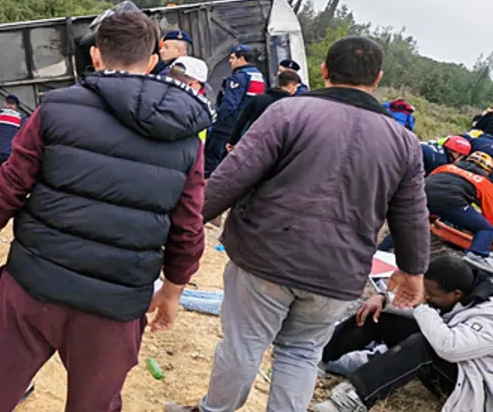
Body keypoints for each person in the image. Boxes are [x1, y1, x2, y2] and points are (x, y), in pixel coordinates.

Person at [0, 9, 212, 411]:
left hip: (33, 287)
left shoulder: (56, 110)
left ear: (96, 57)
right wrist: (172, 291)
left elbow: (10, 186)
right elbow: (187, 228)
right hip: (115, 307)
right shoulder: (186, 140)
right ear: (151, 63)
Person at [165, 36, 430, 412]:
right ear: (378, 78)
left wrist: (180, 229)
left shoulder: (290, 112)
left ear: (323, 70)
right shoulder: (404, 143)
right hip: (337, 273)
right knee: (301, 354)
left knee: (244, 344)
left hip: (265, 257)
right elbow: (412, 213)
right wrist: (414, 270)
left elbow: (232, 177)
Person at [313, 255, 493, 412]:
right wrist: (383, 300)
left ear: (456, 294)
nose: (426, 297)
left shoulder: (488, 315)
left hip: (474, 383)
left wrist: (422, 305)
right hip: (455, 359)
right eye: (424, 291)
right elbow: (416, 307)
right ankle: (314, 358)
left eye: (430, 294)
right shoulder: (455, 293)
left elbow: (450, 348)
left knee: (422, 346)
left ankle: (351, 399)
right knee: (380, 315)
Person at [203, 45, 266, 176]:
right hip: (245, 128)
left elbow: (229, 105)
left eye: (232, 58)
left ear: (241, 59)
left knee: (212, 163)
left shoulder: (239, 78)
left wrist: (214, 121)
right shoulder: (259, 77)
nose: (230, 61)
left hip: (226, 129)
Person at [426, 151, 493, 272]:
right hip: (452, 201)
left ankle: (383, 248)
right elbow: (490, 213)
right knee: (485, 228)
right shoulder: (483, 181)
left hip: (422, 194)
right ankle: (476, 255)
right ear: (487, 171)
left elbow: (430, 182)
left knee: (409, 223)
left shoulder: (445, 167)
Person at [225, 69, 302, 151]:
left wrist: (233, 141)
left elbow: (242, 121)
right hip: (278, 146)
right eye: (296, 87)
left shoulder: (258, 99)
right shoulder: (292, 105)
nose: (296, 90)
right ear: (291, 86)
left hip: (253, 143)